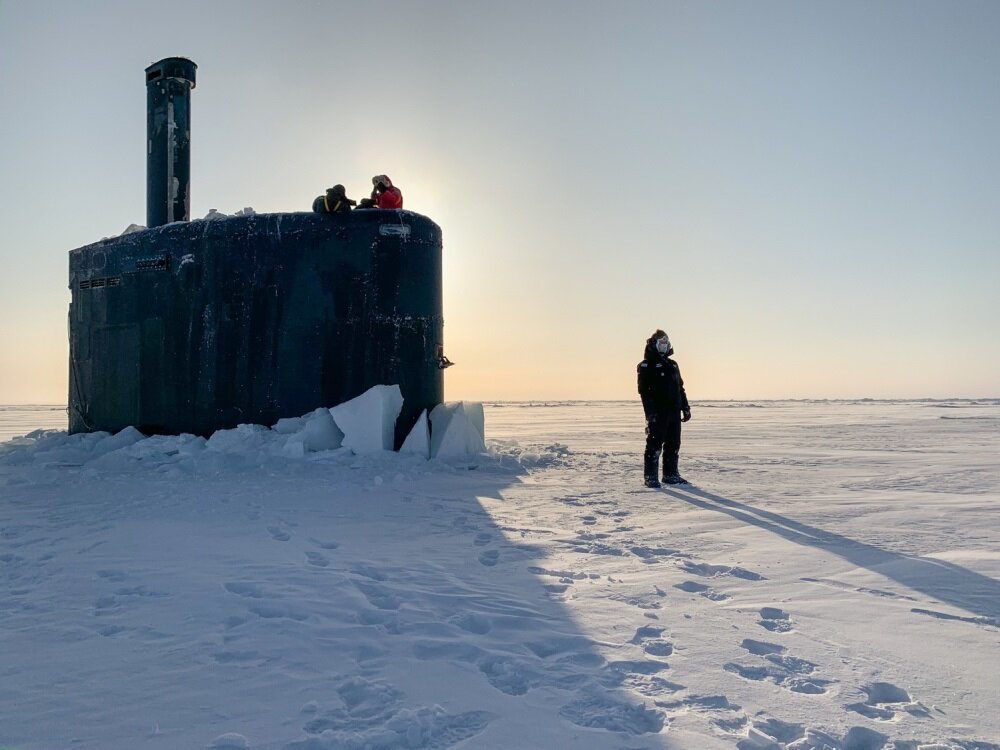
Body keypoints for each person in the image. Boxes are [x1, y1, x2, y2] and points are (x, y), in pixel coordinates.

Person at [637, 329, 691, 488]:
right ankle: (650, 477)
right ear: (654, 344)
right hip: (658, 413)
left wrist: (685, 407)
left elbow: (680, 388)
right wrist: (650, 414)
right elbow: (644, 393)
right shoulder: (646, 366)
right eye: (661, 343)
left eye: (666, 343)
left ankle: (670, 475)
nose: (664, 346)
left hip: (674, 412)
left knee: (673, 444)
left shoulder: (673, 365)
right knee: (654, 445)